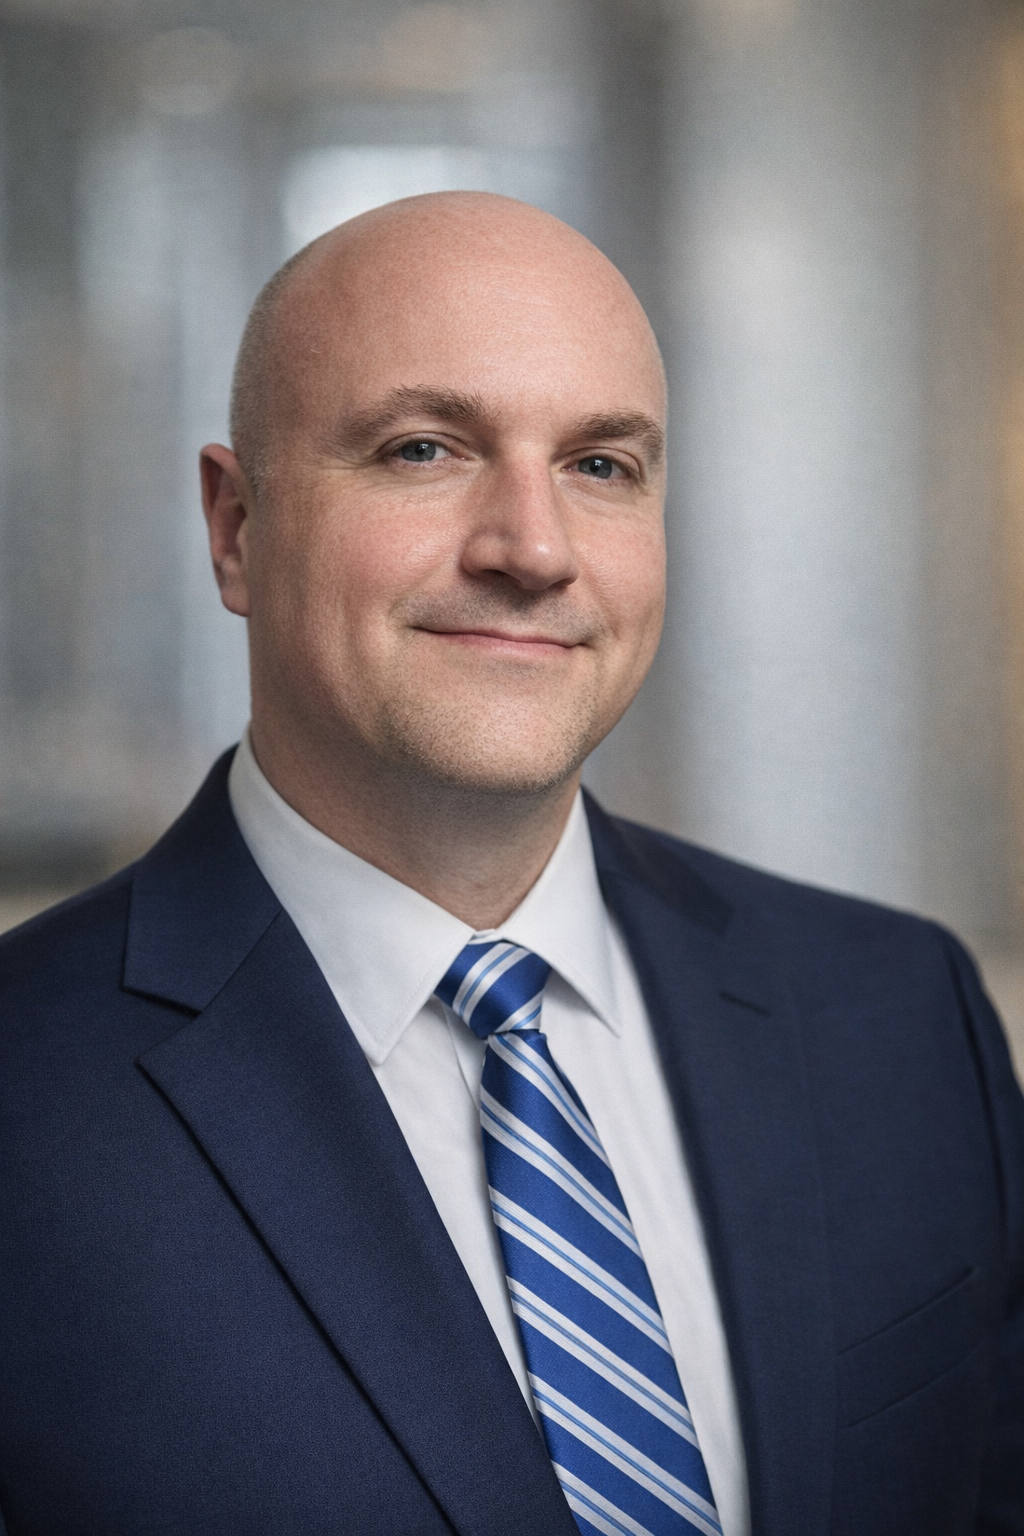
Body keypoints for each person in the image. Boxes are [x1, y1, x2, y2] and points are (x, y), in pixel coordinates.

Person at [0, 192, 1021, 1536]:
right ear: (237, 526)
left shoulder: (899, 1010)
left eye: (602, 466)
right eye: (425, 448)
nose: (533, 550)